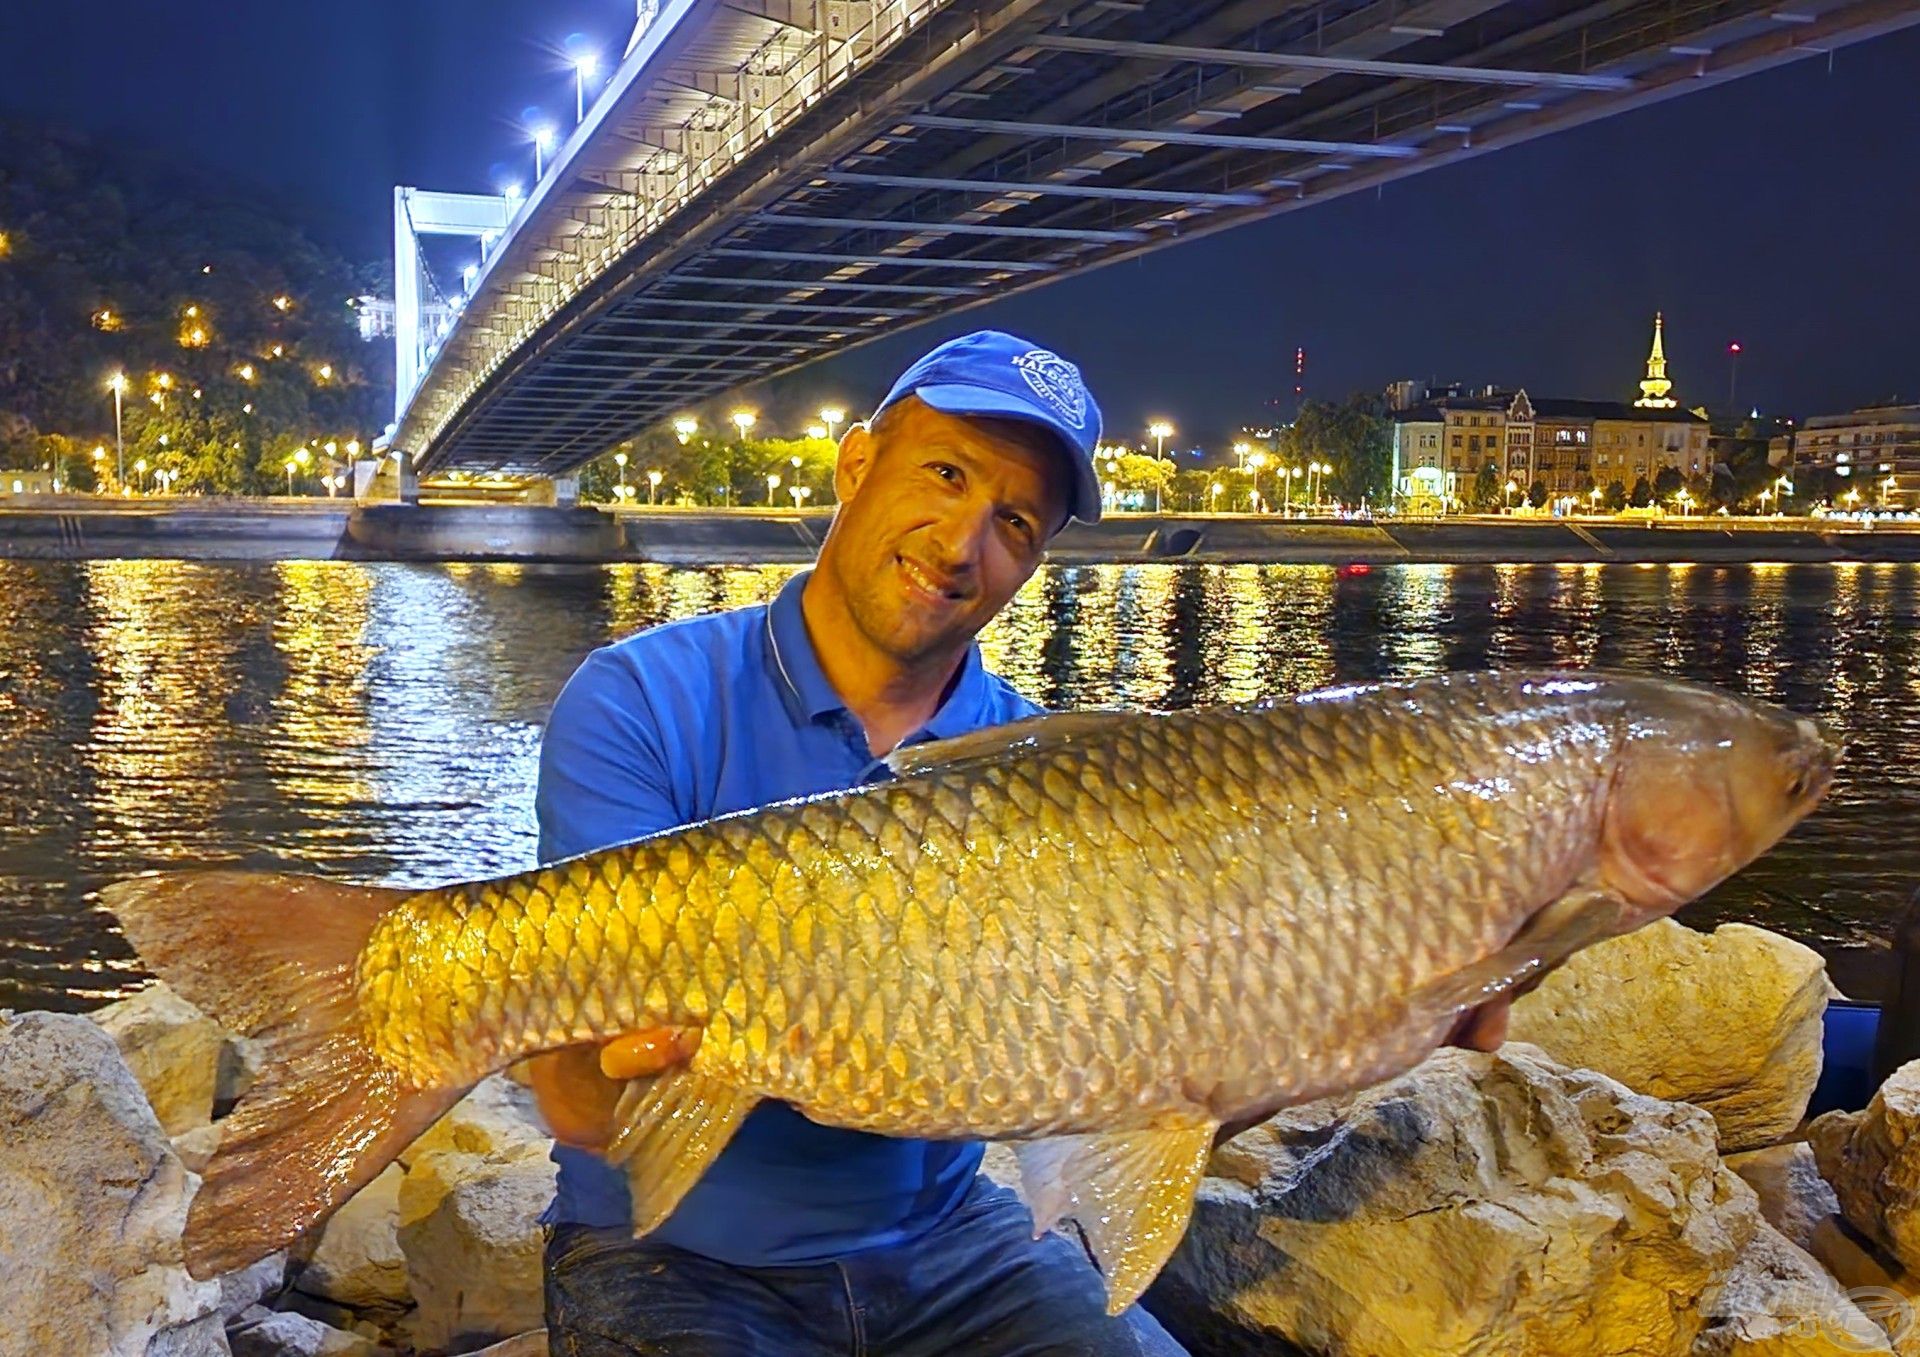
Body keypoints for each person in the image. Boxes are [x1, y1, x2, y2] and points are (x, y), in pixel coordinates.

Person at [525, 329, 1511, 1354]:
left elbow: (1126, 1084)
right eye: (944, 475)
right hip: (671, 1253)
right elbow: (582, 1101)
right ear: (855, 464)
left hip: (953, 1249)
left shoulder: (1045, 779)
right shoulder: (638, 699)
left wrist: (1319, 1019)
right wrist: (593, 1071)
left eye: (1014, 520)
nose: (960, 544)